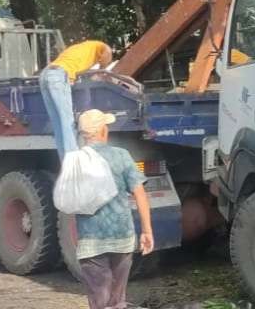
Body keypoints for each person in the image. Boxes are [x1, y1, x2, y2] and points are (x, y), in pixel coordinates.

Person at [70, 109, 153, 309]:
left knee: (99, 300)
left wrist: (76, 237)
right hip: (122, 239)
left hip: (91, 242)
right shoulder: (121, 156)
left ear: (82, 135)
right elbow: (140, 194)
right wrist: (147, 231)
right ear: (103, 130)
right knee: (117, 300)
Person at [39, 39, 113, 155]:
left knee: (59, 124)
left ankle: (66, 162)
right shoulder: (100, 48)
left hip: (45, 75)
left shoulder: (82, 49)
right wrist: (102, 70)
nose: (99, 63)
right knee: (68, 122)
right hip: (58, 75)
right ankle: (73, 161)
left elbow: (81, 72)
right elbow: (106, 55)